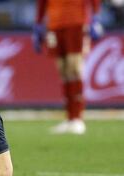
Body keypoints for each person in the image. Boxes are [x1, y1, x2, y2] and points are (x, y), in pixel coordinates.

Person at [32, 0, 103, 134]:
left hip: (76, 21)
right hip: (54, 24)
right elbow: (42, 2)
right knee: (63, 70)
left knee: (74, 67)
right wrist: (38, 23)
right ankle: (70, 118)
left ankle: (78, 118)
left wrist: (96, 16)